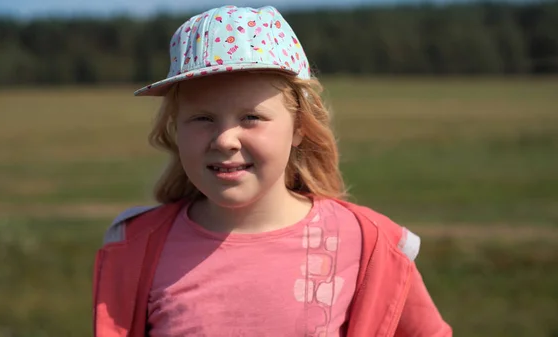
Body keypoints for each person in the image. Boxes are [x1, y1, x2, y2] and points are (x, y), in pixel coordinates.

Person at [92, 5, 452, 337]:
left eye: (251, 117)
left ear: (299, 128)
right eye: (202, 118)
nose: (226, 139)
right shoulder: (135, 247)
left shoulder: (371, 245)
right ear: (175, 129)